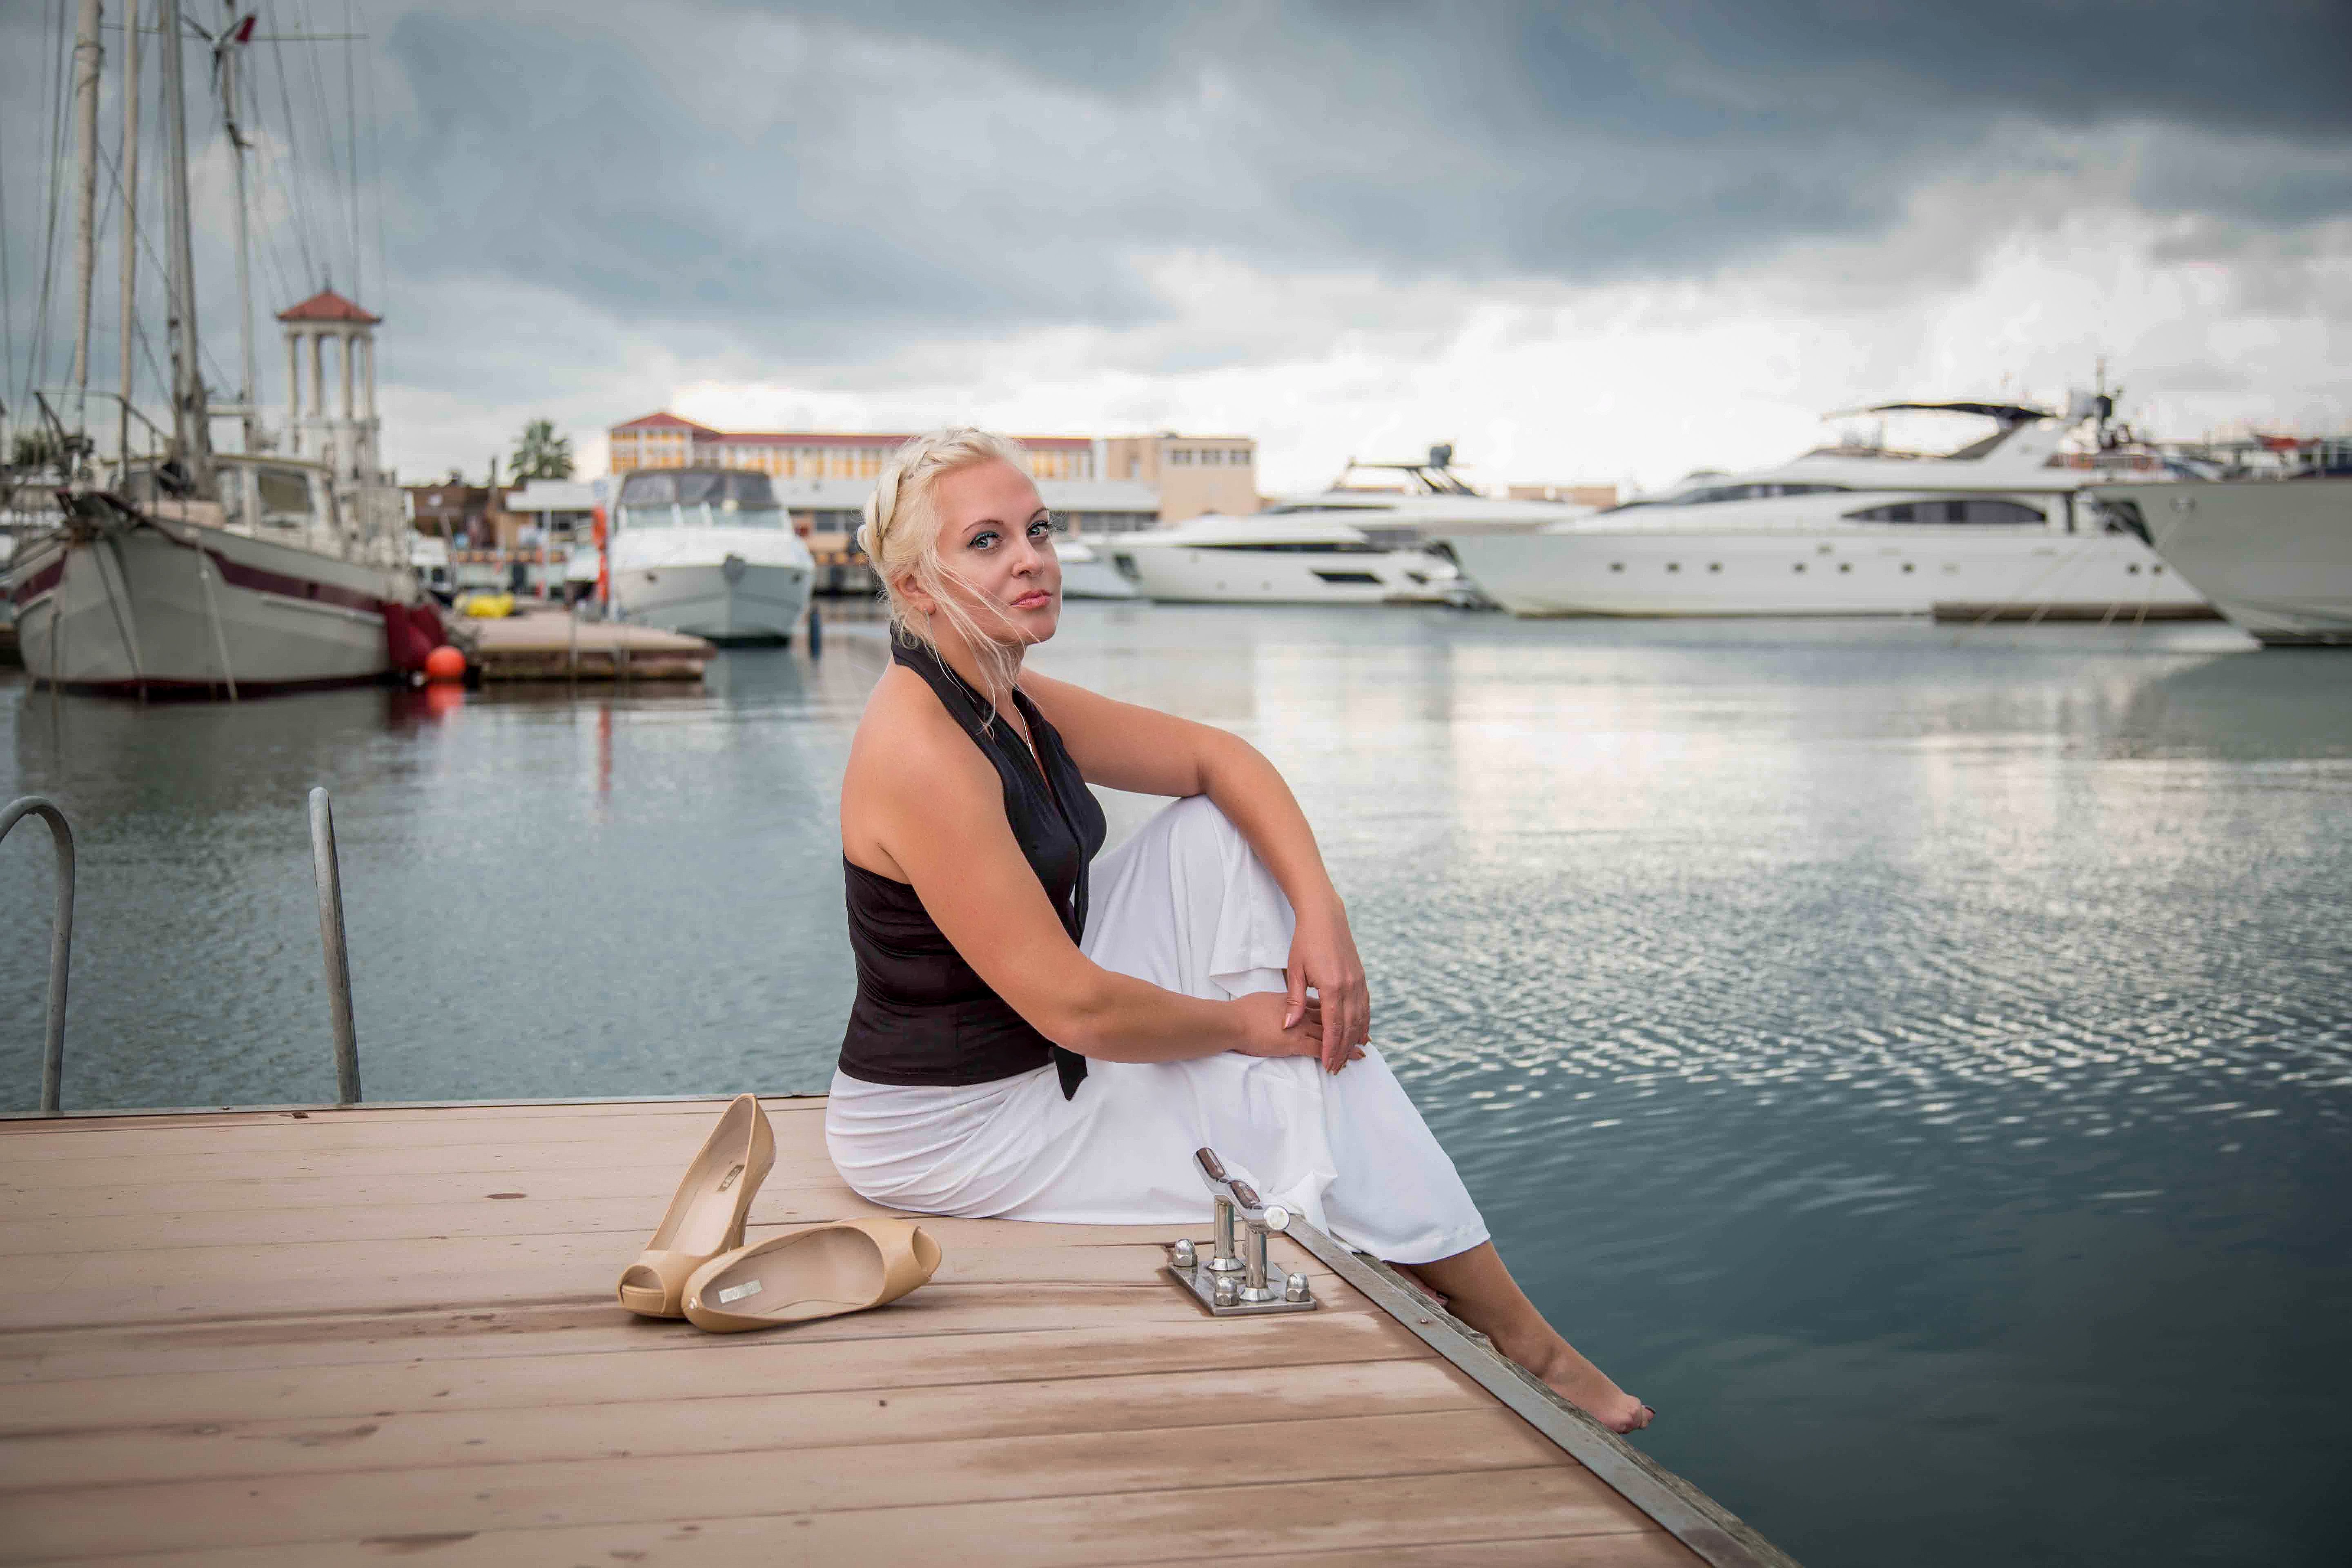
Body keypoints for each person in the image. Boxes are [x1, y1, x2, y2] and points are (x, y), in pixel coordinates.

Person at [825, 428, 1653, 1433]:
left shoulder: (1002, 691)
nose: (1031, 559)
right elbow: (1076, 1008)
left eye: (1037, 530)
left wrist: (1324, 918)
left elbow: (1222, 759)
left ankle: (1404, 1245)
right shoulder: (923, 748)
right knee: (1279, 1071)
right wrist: (1245, 1025)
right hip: (954, 1127)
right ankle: (1518, 1334)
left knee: (1218, 837)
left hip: (1038, 1045)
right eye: (986, 542)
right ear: (916, 587)